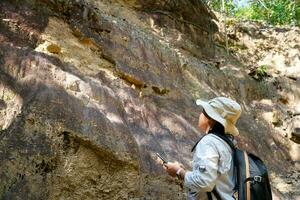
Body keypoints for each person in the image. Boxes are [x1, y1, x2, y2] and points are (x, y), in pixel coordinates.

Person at [163, 97, 242, 200]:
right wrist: (185, 172)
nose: (200, 115)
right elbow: (216, 179)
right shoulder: (229, 144)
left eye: (204, 112)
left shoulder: (209, 142)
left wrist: (178, 171)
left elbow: (204, 182)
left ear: (211, 120)